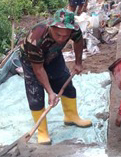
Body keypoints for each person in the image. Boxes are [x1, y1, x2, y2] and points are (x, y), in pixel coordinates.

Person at [19, 9, 92, 145]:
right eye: (58, 35)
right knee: (36, 94)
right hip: (32, 62)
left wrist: (78, 62)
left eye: (65, 36)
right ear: (51, 27)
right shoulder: (36, 38)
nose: (61, 39)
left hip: (53, 55)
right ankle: (42, 131)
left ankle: (71, 116)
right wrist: (50, 92)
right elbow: (39, 69)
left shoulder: (74, 30)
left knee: (65, 83)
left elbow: (78, 41)